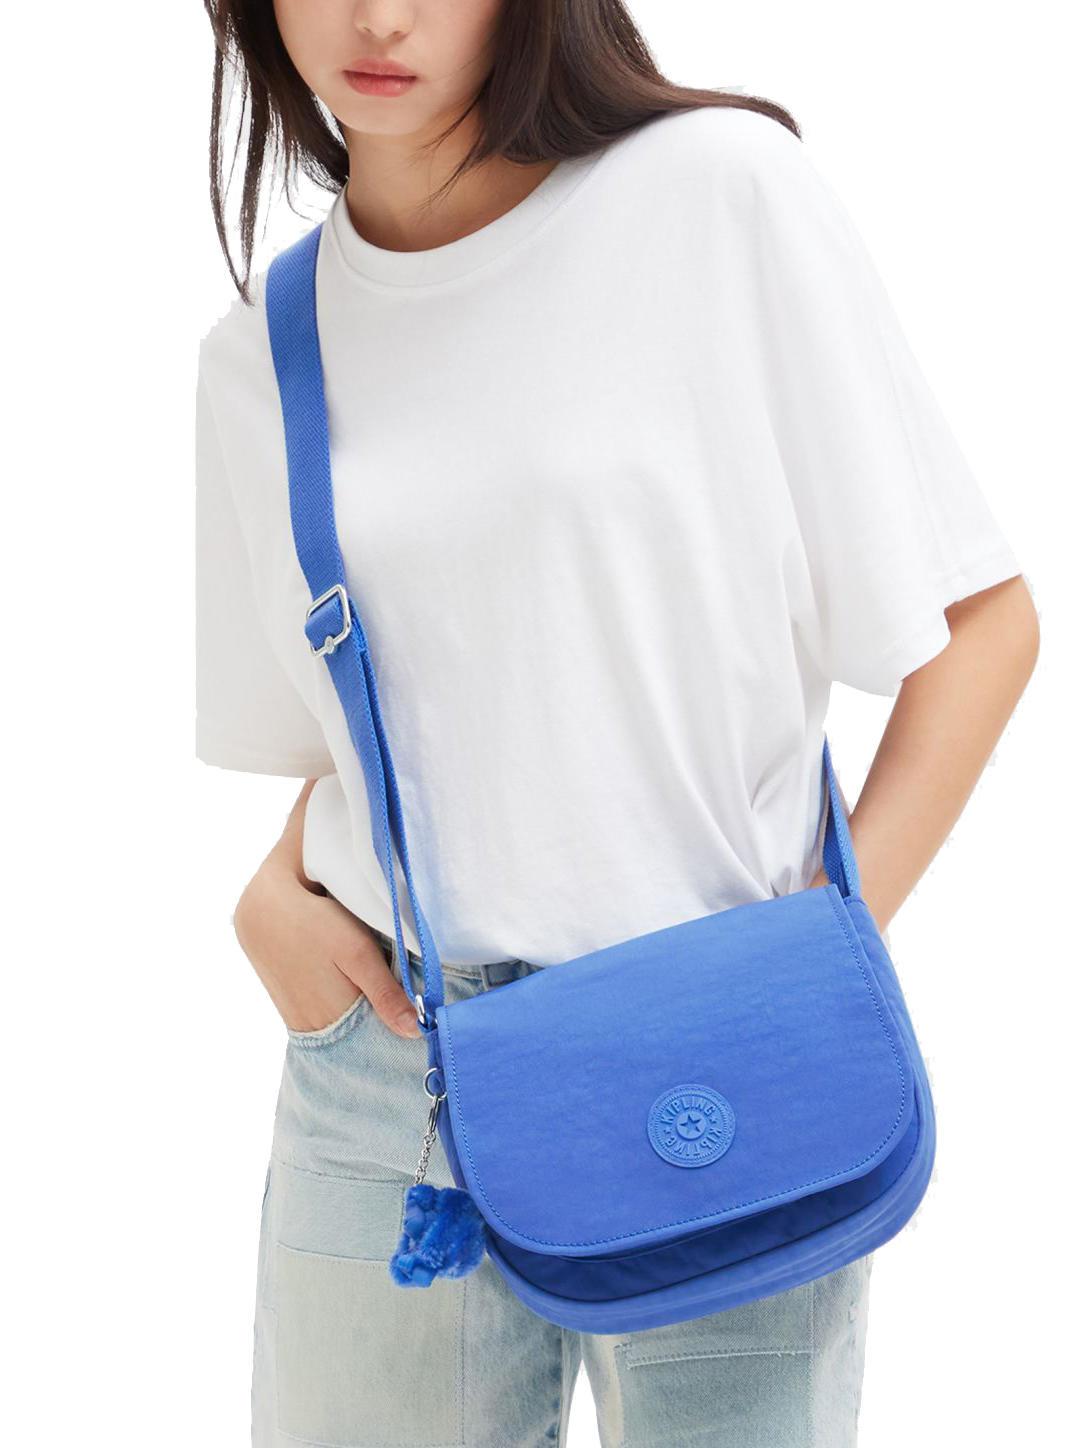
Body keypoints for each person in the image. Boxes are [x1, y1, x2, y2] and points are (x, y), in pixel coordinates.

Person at [195, 2, 1039, 1443]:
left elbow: (980, 626)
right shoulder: (262, 349)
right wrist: (276, 902)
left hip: (715, 1057)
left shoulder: (712, 195)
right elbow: (388, 718)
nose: (379, 16)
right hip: (392, 1081)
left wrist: (816, 966)